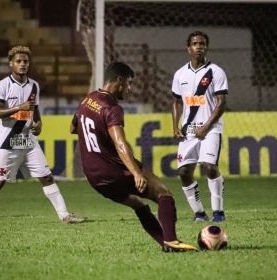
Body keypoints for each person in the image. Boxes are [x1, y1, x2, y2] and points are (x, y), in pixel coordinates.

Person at [71, 62, 197, 252]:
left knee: (138, 204)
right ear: (119, 81)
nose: (129, 89)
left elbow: (73, 128)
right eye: (129, 83)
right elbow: (120, 144)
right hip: (115, 170)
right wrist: (136, 173)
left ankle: (164, 244)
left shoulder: (88, 100)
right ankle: (171, 239)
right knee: (164, 194)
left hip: (94, 177)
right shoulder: (111, 107)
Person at [0, 46, 84, 225]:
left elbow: (34, 109)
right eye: (18, 61)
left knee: (46, 177)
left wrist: (39, 123)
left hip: (28, 141)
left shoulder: (34, 85)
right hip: (8, 142)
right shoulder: (2, 86)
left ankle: (65, 216)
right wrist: (19, 107)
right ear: (11, 63)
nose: (22, 64)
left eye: (25, 61)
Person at [171, 31, 228, 222]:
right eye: (195, 43)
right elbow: (177, 102)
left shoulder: (216, 72)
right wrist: (175, 126)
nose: (199, 47)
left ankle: (218, 213)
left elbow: (221, 104)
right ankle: (199, 213)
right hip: (188, 131)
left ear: (206, 47)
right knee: (184, 172)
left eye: (202, 44)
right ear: (189, 48)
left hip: (210, 129)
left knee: (210, 167)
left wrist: (206, 127)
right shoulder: (180, 74)